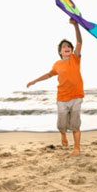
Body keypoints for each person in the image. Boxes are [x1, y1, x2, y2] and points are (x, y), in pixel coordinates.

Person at [26, 18, 84, 156]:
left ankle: (76, 148)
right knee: (61, 124)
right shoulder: (57, 64)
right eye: (64, 46)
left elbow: (79, 42)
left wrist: (75, 25)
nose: (67, 47)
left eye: (68, 46)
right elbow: (48, 74)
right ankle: (63, 134)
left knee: (75, 124)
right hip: (62, 98)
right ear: (60, 51)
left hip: (76, 96)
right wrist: (34, 81)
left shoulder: (75, 59)